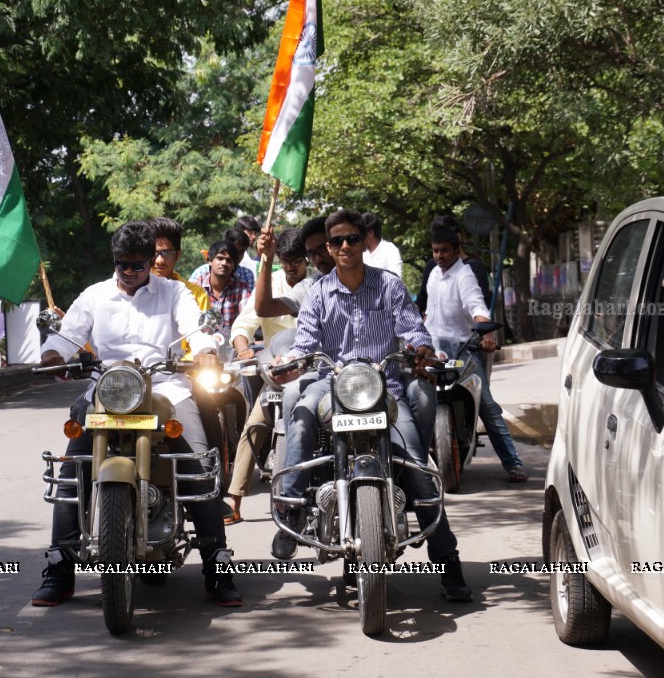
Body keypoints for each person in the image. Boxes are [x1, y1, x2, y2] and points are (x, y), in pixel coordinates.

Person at [31, 221, 241, 607]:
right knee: (72, 472)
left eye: (137, 265)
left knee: (196, 466)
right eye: (120, 264)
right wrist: (54, 353)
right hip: (109, 390)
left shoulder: (174, 292)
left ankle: (218, 564)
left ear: (152, 260)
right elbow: (68, 333)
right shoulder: (95, 295)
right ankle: (59, 568)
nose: (128, 272)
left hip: (165, 388)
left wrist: (206, 347)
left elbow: (195, 329)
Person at [270, 209, 473, 602]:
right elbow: (306, 344)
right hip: (333, 386)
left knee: (416, 463)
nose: (344, 247)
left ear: (365, 241)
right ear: (327, 248)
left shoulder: (389, 286)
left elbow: (413, 329)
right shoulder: (317, 294)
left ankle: (448, 563)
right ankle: (292, 504)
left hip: (384, 387)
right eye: (336, 241)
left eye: (352, 239)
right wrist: (288, 364)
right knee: (300, 415)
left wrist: (421, 349)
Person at [425, 227, 526, 483]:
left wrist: (486, 333)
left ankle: (513, 464)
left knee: (488, 406)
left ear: (456, 248)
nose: (439, 256)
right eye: (435, 251)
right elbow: (429, 314)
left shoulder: (465, 275)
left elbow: (477, 306)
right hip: (434, 353)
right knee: (412, 399)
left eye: (444, 251)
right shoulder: (433, 275)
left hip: (463, 350)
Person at [224, 228, 309, 523]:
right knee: (254, 425)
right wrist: (243, 347)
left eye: (296, 261)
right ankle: (233, 501)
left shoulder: (319, 284)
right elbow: (244, 323)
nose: (289, 267)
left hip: (315, 373)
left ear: (307, 259)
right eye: (284, 261)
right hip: (278, 373)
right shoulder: (268, 283)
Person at [253, 216, 335, 319]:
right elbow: (264, 309)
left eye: (322, 249)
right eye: (312, 253)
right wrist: (268, 257)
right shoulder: (313, 286)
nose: (318, 259)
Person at [416, 214, 492, 315]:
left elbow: (481, 306)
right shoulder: (432, 266)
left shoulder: (475, 268)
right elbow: (422, 300)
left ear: (458, 237)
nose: (439, 255)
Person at [194, 238, 253, 336]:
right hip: (201, 343)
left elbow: (246, 321)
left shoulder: (242, 289)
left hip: (232, 345)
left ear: (234, 265)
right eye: (220, 258)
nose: (224, 263)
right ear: (209, 260)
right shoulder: (196, 286)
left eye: (229, 260)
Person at [189, 228, 256, 289]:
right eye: (234, 251)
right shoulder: (200, 273)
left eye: (241, 252)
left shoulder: (247, 275)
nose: (237, 256)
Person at [361, 212, 403, 277]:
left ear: (370, 233)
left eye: (361, 233)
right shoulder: (359, 251)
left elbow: (396, 278)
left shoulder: (390, 250)